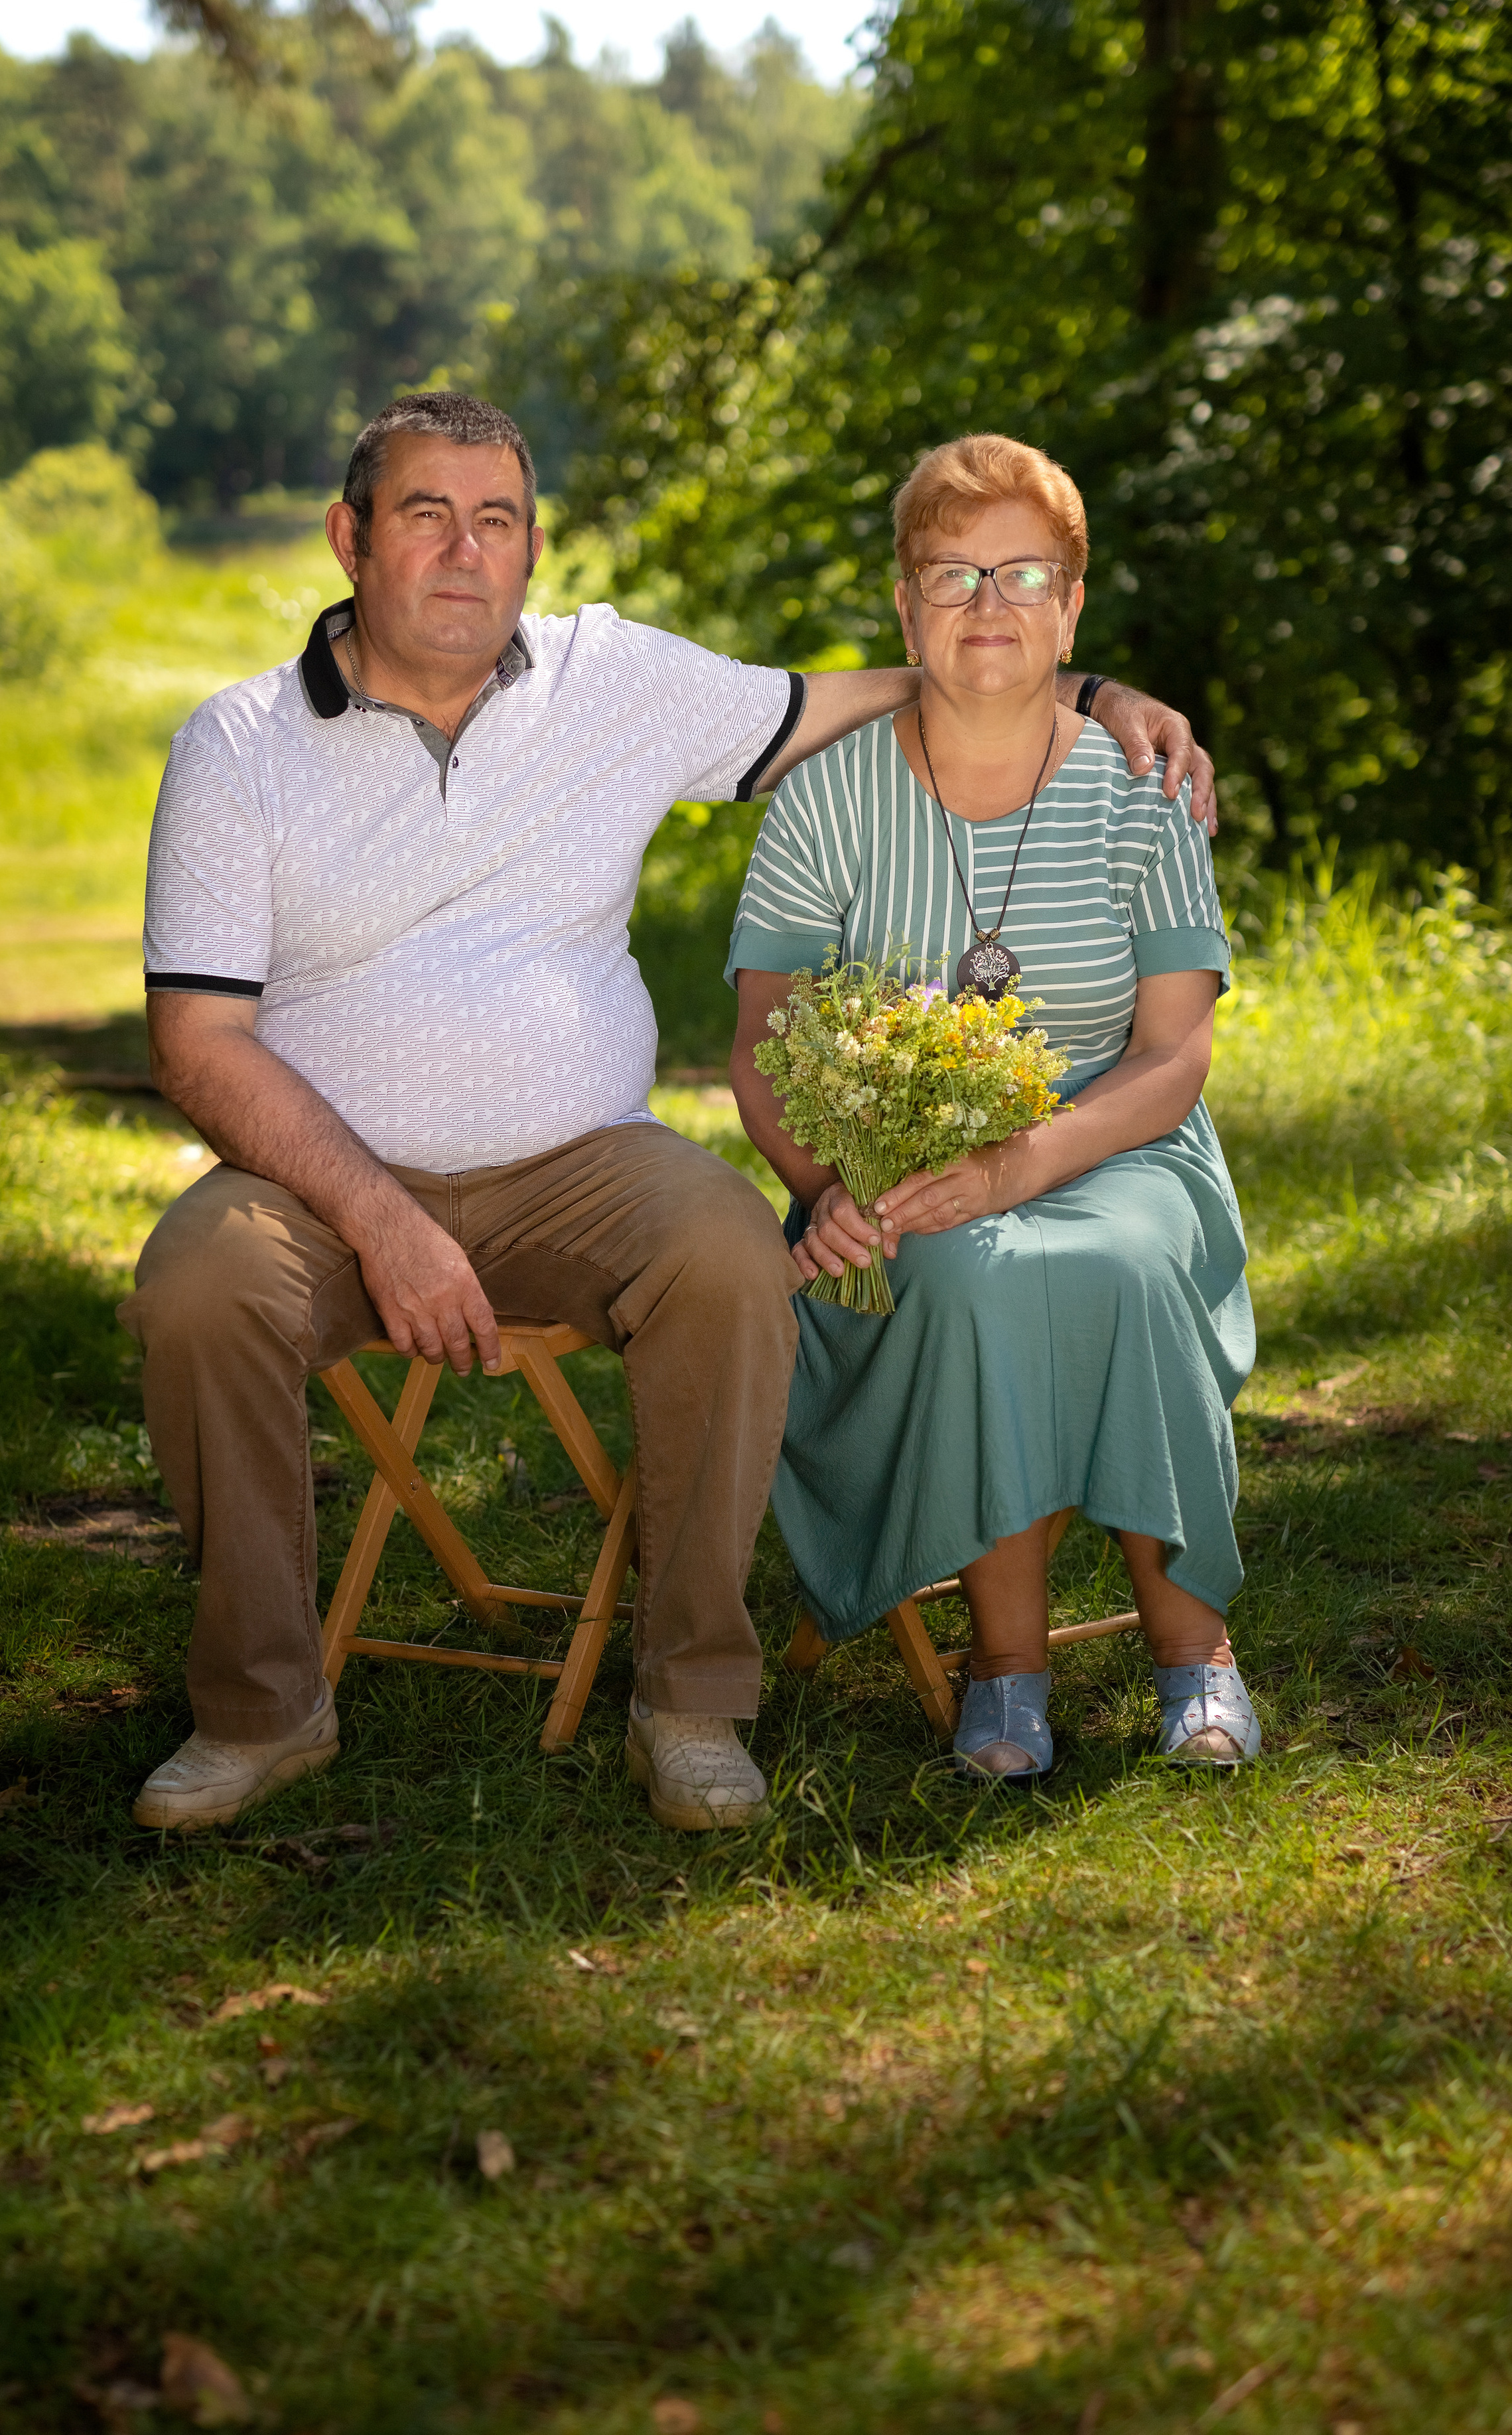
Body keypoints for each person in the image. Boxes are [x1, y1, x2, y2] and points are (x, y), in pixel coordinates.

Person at [121, 392, 1218, 1834]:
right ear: (348, 537)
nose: (463, 551)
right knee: (196, 1282)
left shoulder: (611, 681)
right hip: (322, 1182)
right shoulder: (237, 744)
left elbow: (901, 679)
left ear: (530, 548)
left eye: (495, 518)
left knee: (725, 1251)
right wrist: (380, 1221)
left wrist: (1096, 698)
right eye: (422, 515)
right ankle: (261, 1710)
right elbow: (198, 1043)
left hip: (583, 1164)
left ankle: (692, 1700)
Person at [729, 431, 1259, 1778]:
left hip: (1119, 1137)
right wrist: (827, 1181)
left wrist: (1025, 1161)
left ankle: (1189, 1646)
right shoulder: (823, 799)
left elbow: (1173, 1058)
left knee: (1129, 1260)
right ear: (903, 606)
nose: (986, 605)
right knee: (962, 1274)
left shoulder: (1142, 790)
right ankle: (1005, 1666)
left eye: (1023, 574)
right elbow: (761, 1039)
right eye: (950, 575)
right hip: (900, 1164)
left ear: (1070, 607)